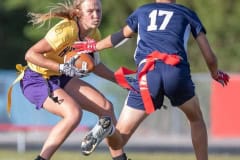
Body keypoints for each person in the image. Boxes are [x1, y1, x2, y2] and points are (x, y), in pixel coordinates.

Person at [73, 0, 230, 160]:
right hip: (175, 71)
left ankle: (109, 130)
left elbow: (119, 36)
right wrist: (215, 73)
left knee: (119, 140)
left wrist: (93, 47)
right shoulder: (186, 13)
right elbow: (209, 56)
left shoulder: (143, 11)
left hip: (148, 75)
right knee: (196, 119)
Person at [6, 0, 127, 159]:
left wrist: (122, 81)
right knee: (73, 114)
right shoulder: (66, 30)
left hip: (60, 76)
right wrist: (61, 68)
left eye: (98, 10)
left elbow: (94, 65)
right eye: (90, 11)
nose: (96, 15)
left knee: (106, 108)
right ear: (78, 13)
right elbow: (30, 54)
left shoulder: (93, 33)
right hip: (37, 79)